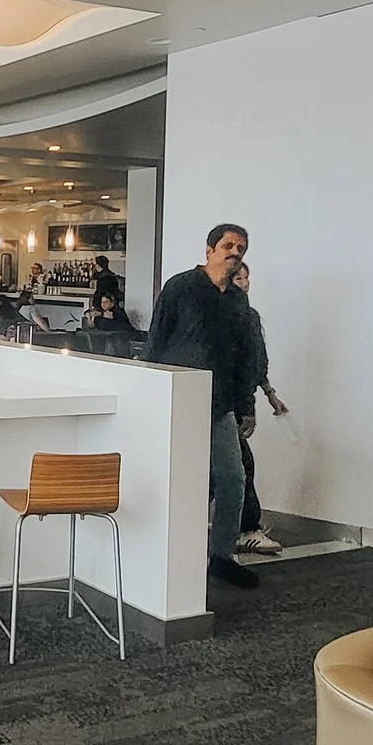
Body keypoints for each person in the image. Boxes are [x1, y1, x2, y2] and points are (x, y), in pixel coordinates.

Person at [145, 223, 276, 590]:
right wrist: (151, 391)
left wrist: (247, 405)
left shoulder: (236, 300)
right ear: (209, 250)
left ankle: (222, 557)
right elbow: (156, 340)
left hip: (219, 404)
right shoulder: (181, 287)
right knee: (180, 478)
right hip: (179, 399)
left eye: (240, 248)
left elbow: (243, 357)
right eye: (228, 245)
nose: (234, 252)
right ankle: (168, 553)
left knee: (233, 477)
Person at [229, 263, 286, 557]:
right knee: (240, 465)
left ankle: (243, 527)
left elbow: (255, 363)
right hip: (226, 402)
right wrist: (248, 408)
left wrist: (270, 394)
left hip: (235, 402)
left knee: (236, 465)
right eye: (237, 277)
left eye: (246, 277)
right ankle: (246, 528)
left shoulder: (249, 317)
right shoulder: (227, 316)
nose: (244, 282)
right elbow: (241, 367)